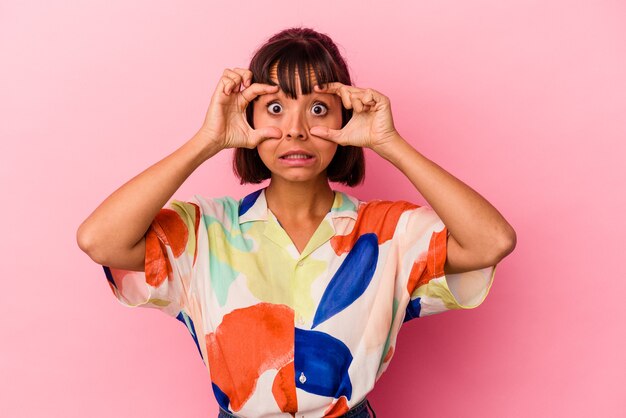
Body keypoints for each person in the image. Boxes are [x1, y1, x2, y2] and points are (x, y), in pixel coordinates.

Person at [77, 27, 516, 418]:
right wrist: (206, 141)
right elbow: (99, 240)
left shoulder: (388, 231)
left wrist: (389, 143)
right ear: (247, 117)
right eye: (274, 108)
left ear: (345, 119)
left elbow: (491, 242)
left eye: (319, 109)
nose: (296, 130)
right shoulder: (206, 229)